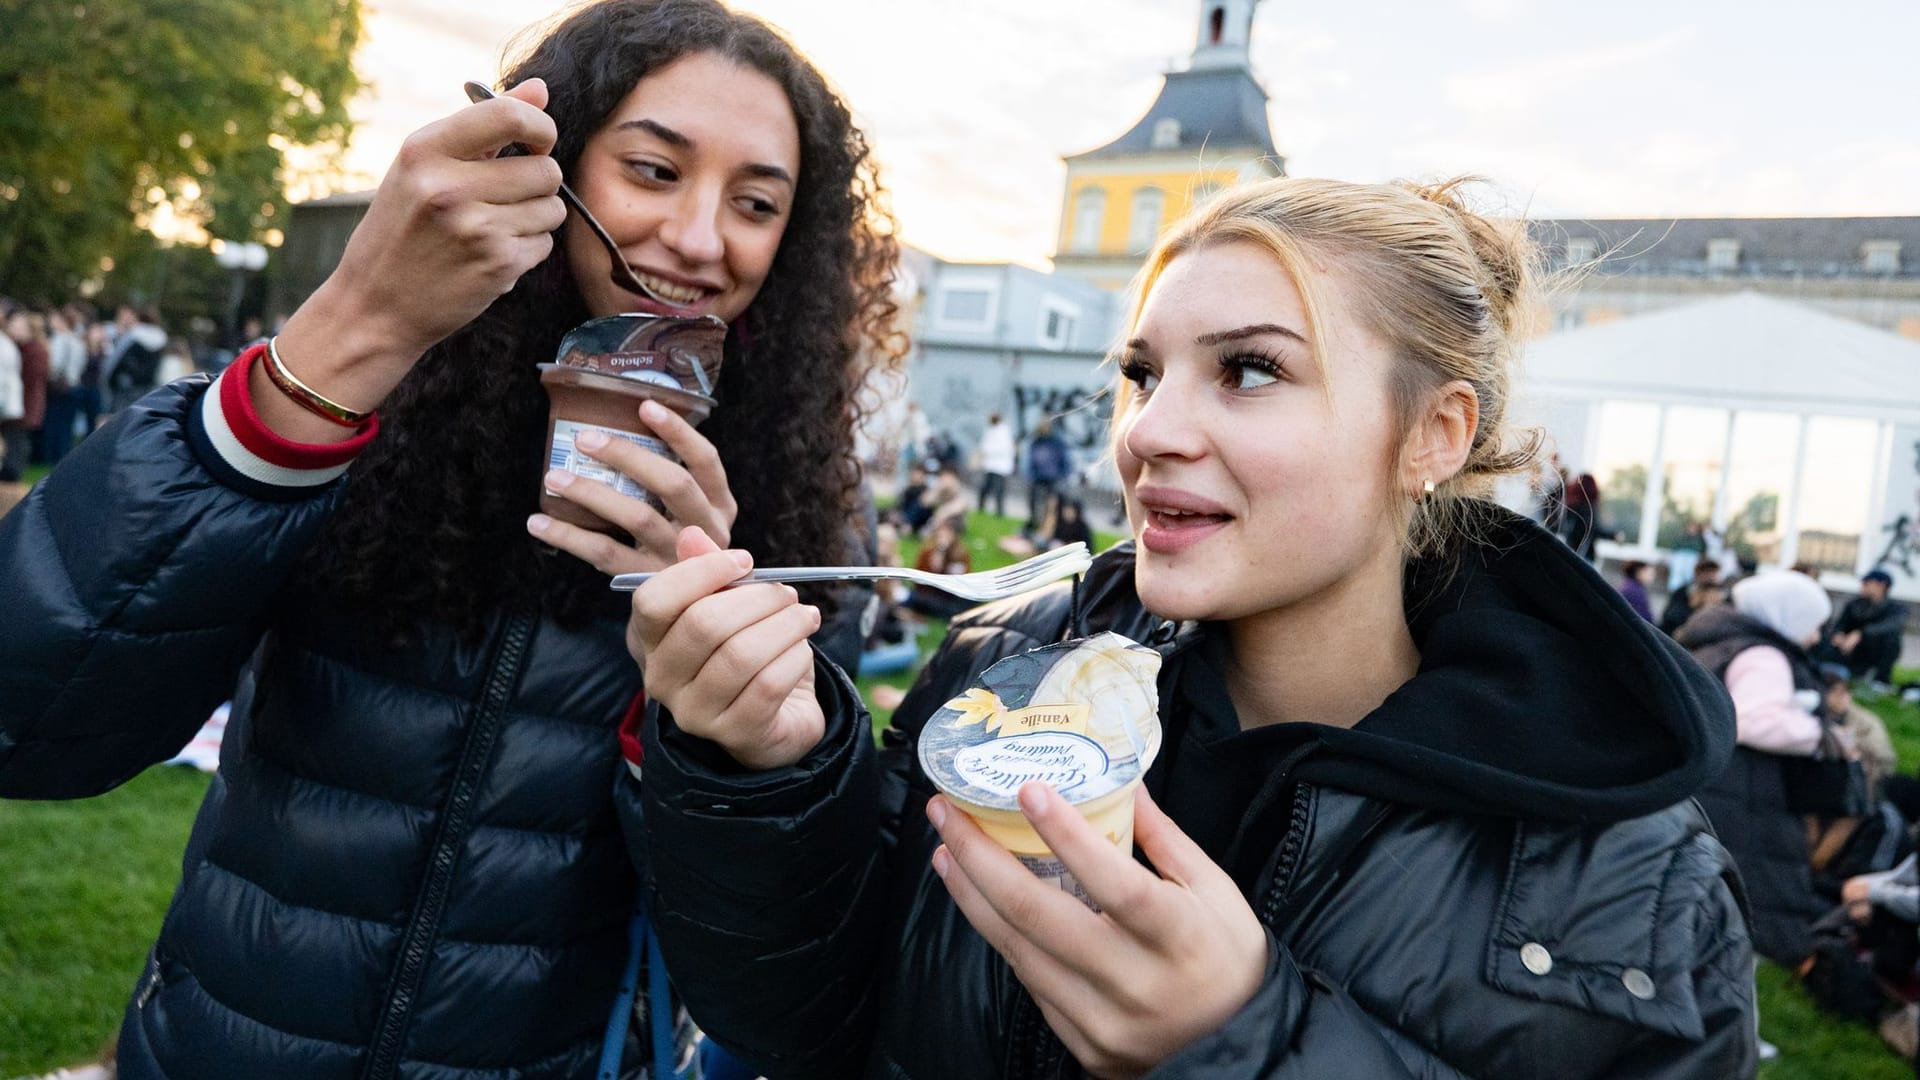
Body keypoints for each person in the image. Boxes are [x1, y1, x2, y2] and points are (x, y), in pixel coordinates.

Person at [626, 176, 1756, 1077]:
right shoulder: (1008, 670)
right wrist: (767, 769)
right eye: (1141, 373)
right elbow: (812, 1022)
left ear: (1432, 437)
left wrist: (1240, 1045)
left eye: (1251, 370)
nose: (1152, 431)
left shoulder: (1634, 882)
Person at [0, 1, 900, 1076]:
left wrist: (715, 731)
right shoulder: (366, 396)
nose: (702, 238)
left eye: (756, 203)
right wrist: (352, 333)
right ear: (544, 166)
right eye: (654, 172)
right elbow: (34, 727)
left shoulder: (792, 519)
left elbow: (786, 991)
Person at [1678, 571, 1835, 967]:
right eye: (1812, 625)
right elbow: (1754, 721)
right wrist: (1819, 734)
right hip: (1746, 788)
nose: (1816, 637)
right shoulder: (1763, 655)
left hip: (1714, 780)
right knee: (1751, 875)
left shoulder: (1723, 640)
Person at [1821, 569, 1907, 687]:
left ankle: (1880, 680)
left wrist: (1861, 634)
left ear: (1881, 585)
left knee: (1891, 638)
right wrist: (1838, 634)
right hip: (1850, 650)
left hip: (1875, 649)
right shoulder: (1854, 605)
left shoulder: (1896, 608)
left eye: (1867, 583)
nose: (1863, 586)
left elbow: (1892, 625)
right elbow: (1841, 624)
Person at [1, 309, 47, 481]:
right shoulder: (21, 348)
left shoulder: (34, 350)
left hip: (24, 407)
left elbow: (28, 379)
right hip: (22, 406)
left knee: (16, 446)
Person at [1023, 417, 1073, 537]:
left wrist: (1063, 475)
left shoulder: (1057, 442)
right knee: (1035, 504)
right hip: (1038, 478)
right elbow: (1031, 460)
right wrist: (1031, 474)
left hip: (1054, 479)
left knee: (1051, 507)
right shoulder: (1036, 442)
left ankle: (1049, 530)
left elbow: (1064, 460)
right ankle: (1037, 527)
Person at [1660, 556, 1722, 636]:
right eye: (1706, 571)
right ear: (1698, 574)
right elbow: (1670, 617)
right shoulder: (1683, 592)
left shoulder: (1724, 595)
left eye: (1713, 572)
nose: (1709, 576)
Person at [976, 410, 1016, 517]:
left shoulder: (1004, 431)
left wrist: (987, 451)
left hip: (1000, 467)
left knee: (999, 491)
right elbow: (984, 444)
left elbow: (1003, 448)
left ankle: (999, 512)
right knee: (984, 488)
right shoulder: (989, 429)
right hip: (989, 465)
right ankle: (980, 508)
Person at [1562, 470, 1601, 559]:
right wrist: (1613, 535)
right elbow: (1592, 530)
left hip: (1568, 551)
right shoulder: (1588, 508)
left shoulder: (1570, 505)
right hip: (1584, 555)